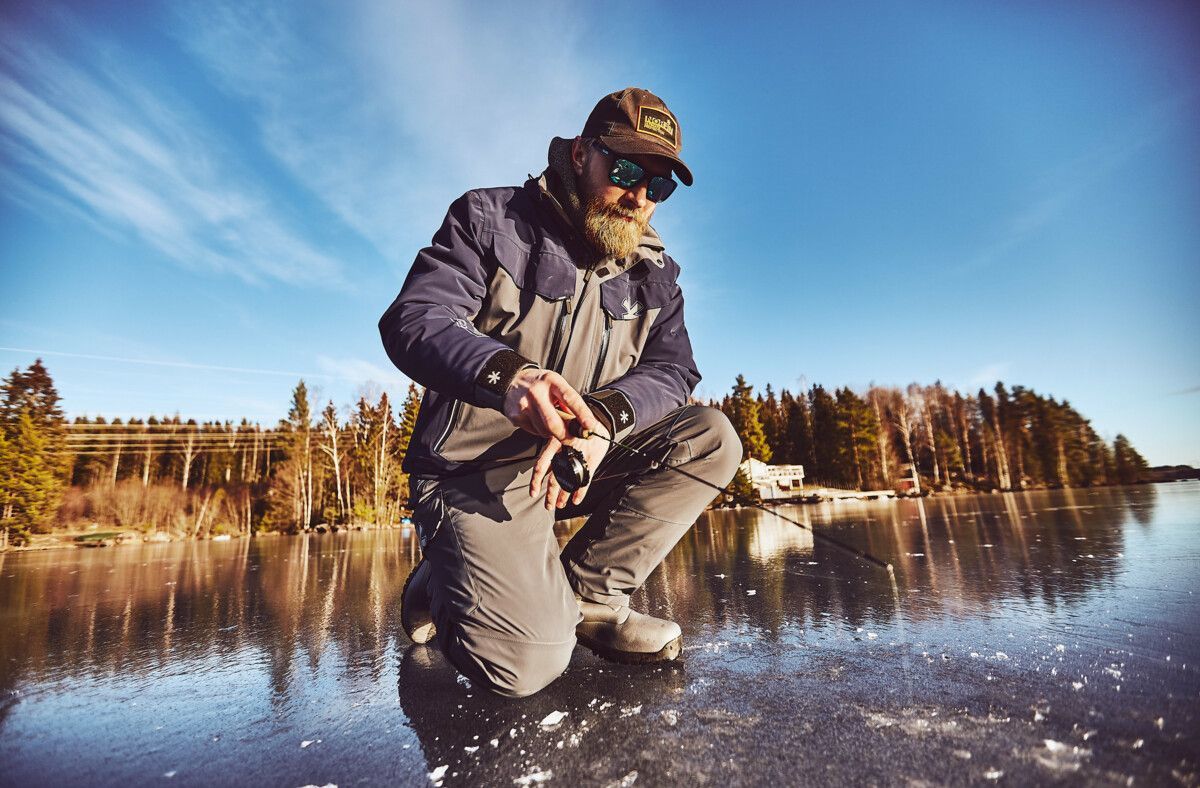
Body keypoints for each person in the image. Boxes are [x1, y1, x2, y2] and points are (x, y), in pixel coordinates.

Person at [379, 87, 741, 698]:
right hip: (476, 475)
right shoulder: (488, 219)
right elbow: (416, 318)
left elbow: (673, 371)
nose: (639, 197)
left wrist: (604, 419)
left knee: (711, 441)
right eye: (625, 171)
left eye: (659, 187)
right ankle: (445, 581)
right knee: (527, 667)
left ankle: (593, 600)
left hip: (576, 463)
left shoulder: (657, 275)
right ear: (580, 154)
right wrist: (507, 378)